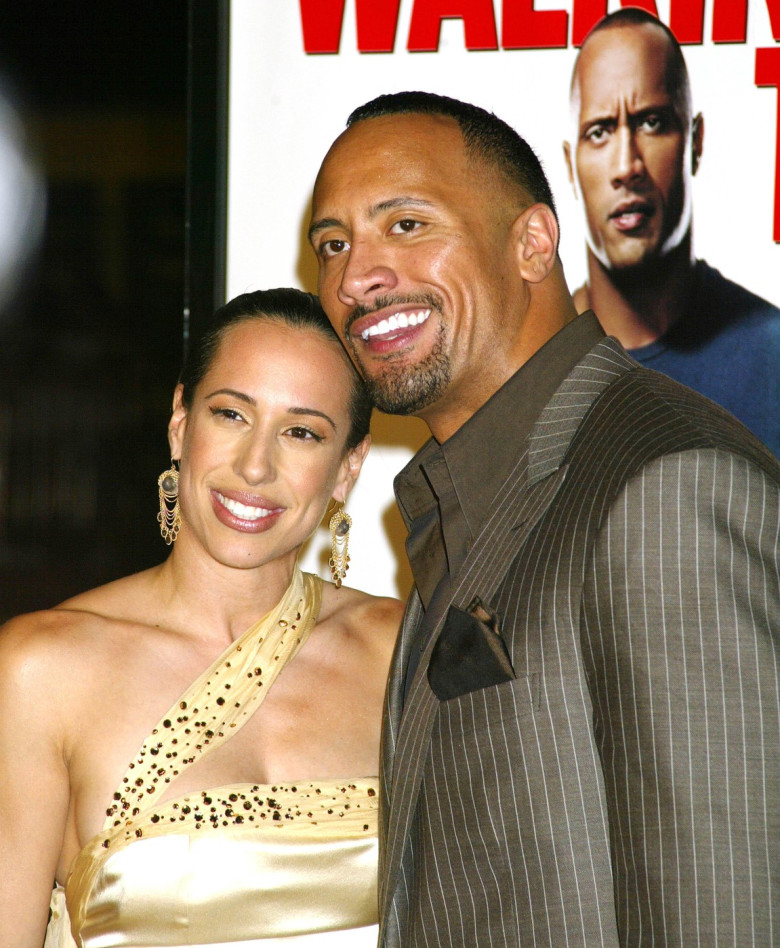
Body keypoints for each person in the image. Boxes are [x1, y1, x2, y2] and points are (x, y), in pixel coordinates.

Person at [309, 90, 780, 947]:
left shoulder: (665, 487)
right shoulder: (464, 501)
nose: (354, 278)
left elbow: (726, 915)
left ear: (532, 242)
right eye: (334, 244)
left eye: (406, 225)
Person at [0, 288, 403, 948]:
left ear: (346, 469)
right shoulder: (44, 668)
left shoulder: (402, 652)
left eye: (302, 432)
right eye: (231, 415)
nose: (254, 465)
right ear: (180, 422)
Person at [563, 8, 780, 456]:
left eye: (652, 123)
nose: (627, 166)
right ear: (570, 164)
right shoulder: (522, 368)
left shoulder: (772, 359)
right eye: (600, 132)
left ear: (695, 142)